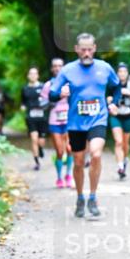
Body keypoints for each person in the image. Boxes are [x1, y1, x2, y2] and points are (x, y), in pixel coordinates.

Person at [47, 33, 121, 218]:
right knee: (78, 162)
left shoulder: (104, 68)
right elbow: (52, 94)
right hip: (75, 123)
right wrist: (60, 94)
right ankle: (80, 197)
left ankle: (93, 197)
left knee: (96, 154)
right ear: (77, 49)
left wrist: (114, 103)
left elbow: (117, 87)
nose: (87, 53)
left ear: (94, 48)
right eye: (83, 49)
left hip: (98, 119)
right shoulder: (68, 70)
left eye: (90, 49)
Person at [41, 58, 74, 188]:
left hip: (69, 120)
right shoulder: (48, 85)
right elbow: (42, 104)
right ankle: (59, 177)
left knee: (70, 149)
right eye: (55, 66)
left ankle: (69, 175)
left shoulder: (70, 83)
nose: (57, 68)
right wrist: (53, 99)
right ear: (51, 69)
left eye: (60, 66)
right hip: (54, 121)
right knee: (60, 151)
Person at [109, 62, 130, 179]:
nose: (122, 74)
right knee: (118, 142)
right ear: (116, 74)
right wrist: (109, 100)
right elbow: (106, 97)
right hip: (115, 116)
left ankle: (125, 159)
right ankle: (120, 167)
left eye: (124, 72)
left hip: (129, 117)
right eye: (120, 71)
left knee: (125, 144)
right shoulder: (112, 85)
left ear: (127, 73)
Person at [21, 66, 47, 170]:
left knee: (41, 141)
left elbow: (48, 99)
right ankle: (37, 162)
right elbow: (23, 101)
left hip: (42, 117)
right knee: (33, 139)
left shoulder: (43, 87)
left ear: (38, 75)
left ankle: (40, 148)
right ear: (28, 76)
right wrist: (22, 106)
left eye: (34, 73)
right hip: (31, 117)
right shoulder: (25, 89)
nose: (32, 75)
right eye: (31, 73)